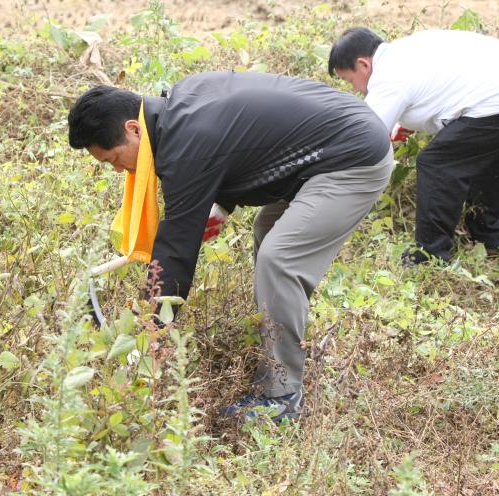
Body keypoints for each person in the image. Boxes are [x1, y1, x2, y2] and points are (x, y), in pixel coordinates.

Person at [68, 71, 393, 422]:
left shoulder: (185, 145)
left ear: (133, 129)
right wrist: (220, 204)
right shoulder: (180, 108)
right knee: (268, 231)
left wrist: (150, 334)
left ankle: (282, 398)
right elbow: (238, 143)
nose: (119, 170)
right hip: (335, 139)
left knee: (279, 258)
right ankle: (281, 343)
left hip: (352, 156)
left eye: (114, 159)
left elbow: (175, 251)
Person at [328, 27, 499, 264]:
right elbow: (433, 90)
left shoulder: (387, 78)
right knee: (495, 165)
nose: (355, 88)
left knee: (436, 165)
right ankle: (488, 240)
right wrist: (401, 125)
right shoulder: (404, 50)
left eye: (350, 80)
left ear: (363, 65)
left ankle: (429, 254)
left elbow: (364, 139)